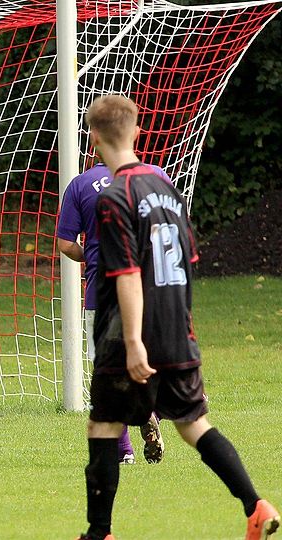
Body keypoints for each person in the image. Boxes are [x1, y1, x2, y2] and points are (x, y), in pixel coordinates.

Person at [77, 94, 279, 540]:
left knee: (103, 426)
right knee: (193, 425)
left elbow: (128, 275)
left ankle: (99, 533)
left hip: (130, 335)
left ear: (93, 140)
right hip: (176, 331)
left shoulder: (114, 197)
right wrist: (183, 326)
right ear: (137, 132)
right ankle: (255, 505)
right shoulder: (167, 189)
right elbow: (188, 263)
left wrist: (133, 342)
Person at [57, 163, 166, 465]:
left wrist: (92, 257)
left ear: (96, 143)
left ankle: (123, 452)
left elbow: (65, 243)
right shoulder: (155, 175)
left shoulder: (80, 185)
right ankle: (152, 412)